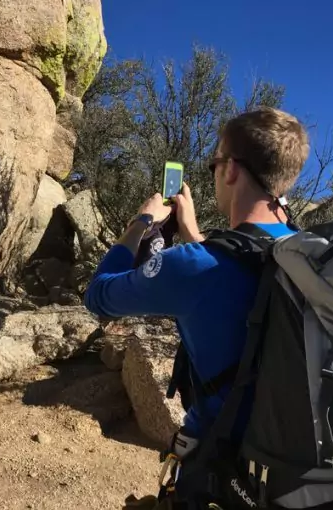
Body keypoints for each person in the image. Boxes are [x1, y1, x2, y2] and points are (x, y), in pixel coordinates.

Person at [84, 107, 309, 500]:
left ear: (232, 171)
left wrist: (140, 223)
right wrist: (192, 232)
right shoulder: (306, 255)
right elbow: (244, 262)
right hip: (298, 471)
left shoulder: (192, 267)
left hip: (221, 468)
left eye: (214, 163)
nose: (215, 171)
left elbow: (99, 295)